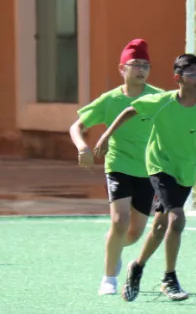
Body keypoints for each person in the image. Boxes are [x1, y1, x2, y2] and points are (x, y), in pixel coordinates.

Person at [93, 54, 196, 302]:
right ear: (178, 78)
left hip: (185, 172)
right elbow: (129, 110)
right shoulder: (162, 101)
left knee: (158, 227)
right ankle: (169, 278)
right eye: (193, 74)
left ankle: (136, 266)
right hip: (159, 167)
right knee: (176, 219)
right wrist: (105, 137)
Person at [69, 39, 163, 296]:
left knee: (132, 234)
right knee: (120, 222)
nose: (141, 69)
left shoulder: (158, 97)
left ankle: (114, 247)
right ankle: (108, 279)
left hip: (148, 171)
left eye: (146, 65)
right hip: (118, 166)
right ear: (122, 69)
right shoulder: (109, 100)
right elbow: (76, 126)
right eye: (135, 64)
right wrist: (82, 148)